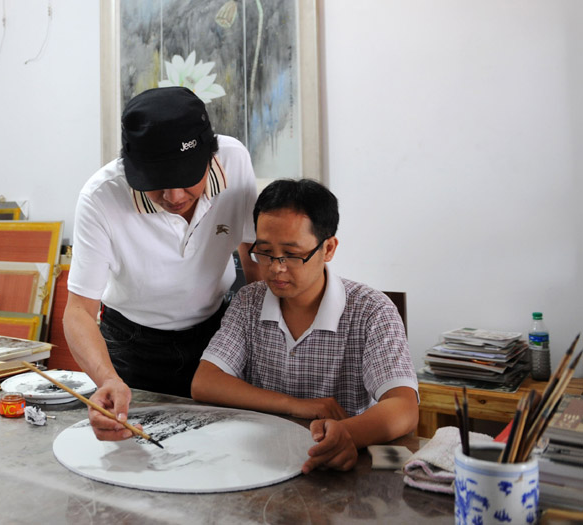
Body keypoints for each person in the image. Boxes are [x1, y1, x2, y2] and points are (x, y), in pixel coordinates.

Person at [64, 86, 259, 441]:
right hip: (132, 343)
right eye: (157, 184)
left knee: (221, 448)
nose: (174, 197)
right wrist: (108, 379)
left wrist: (260, 339)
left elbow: (252, 254)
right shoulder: (101, 197)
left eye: (187, 180)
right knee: (135, 455)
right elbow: (78, 311)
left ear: (209, 156)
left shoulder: (234, 160)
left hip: (216, 334)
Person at [191, 179, 419, 473]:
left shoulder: (371, 310)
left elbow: (403, 407)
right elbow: (206, 382)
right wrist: (297, 405)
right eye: (265, 252)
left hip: (337, 464)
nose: (276, 268)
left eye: (292, 254)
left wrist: (347, 434)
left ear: (328, 248)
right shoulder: (249, 301)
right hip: (259, 460)